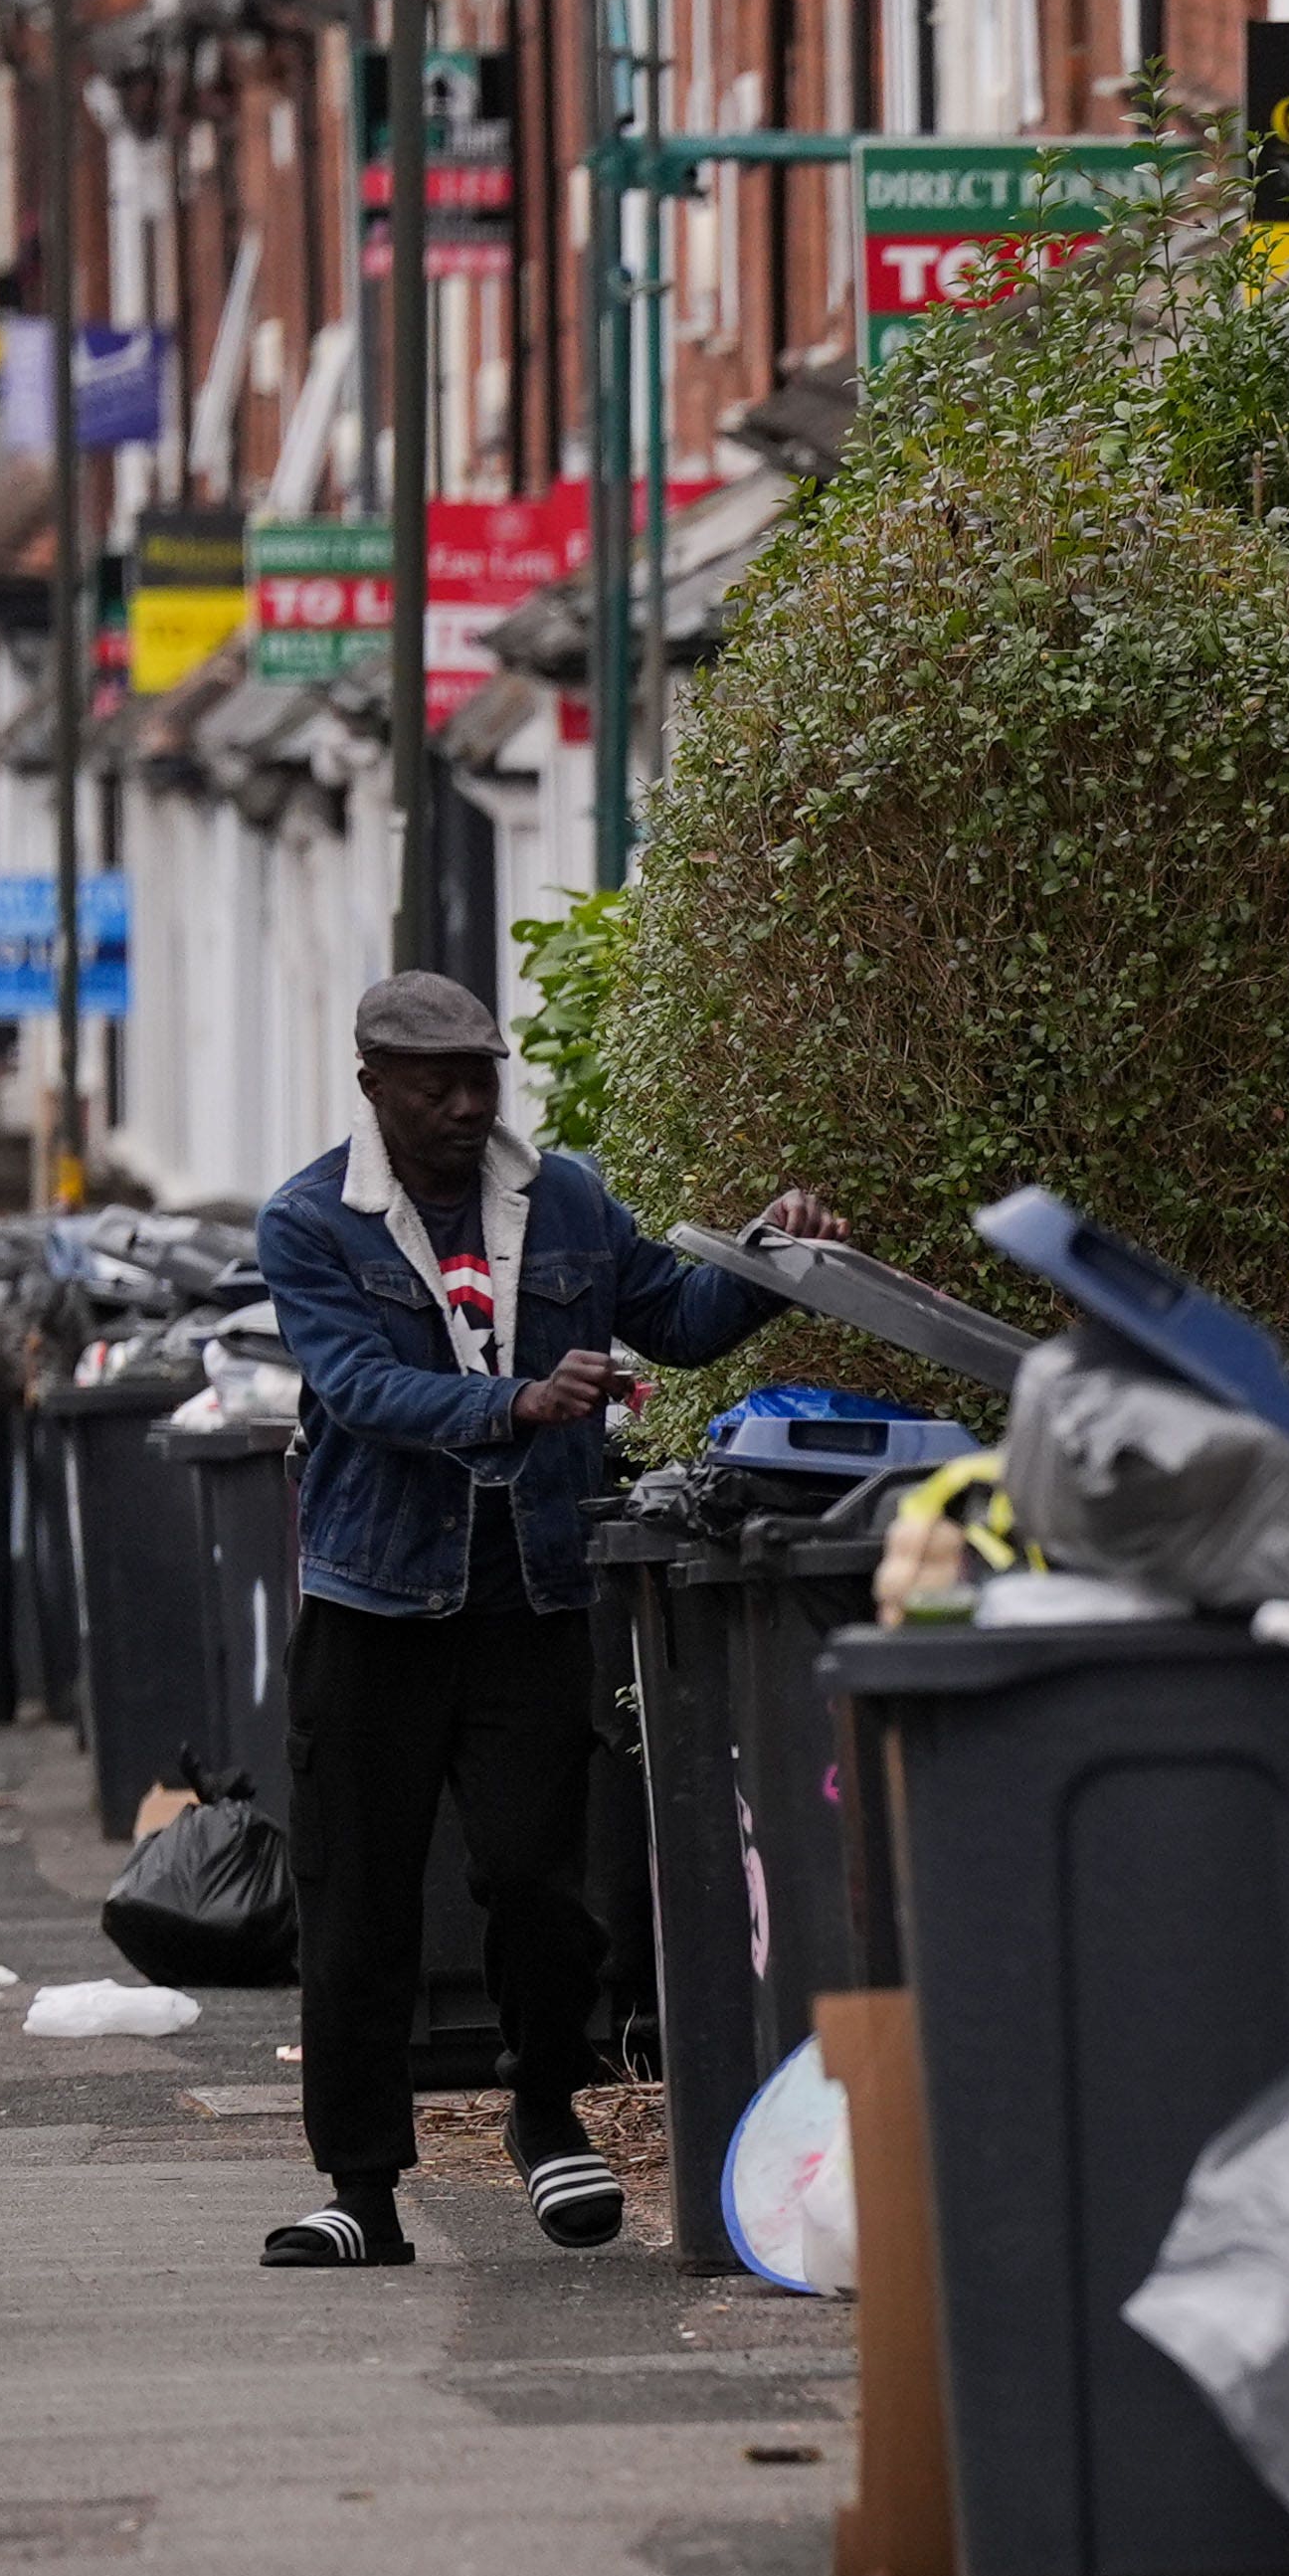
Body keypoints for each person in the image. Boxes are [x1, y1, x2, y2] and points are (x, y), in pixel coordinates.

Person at [248, 970, 826, 2268]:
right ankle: (362, 2191)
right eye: (434, 1083)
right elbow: (358, 1388)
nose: (465, 1104)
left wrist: (768, 1258)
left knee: (539, 1883)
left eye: (482, 1078)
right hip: (375, 1605)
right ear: (372, 1087)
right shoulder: (312, 1221)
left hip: (529, 1595)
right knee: (360, 1904)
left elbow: (674, 1321)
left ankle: (548, 2111)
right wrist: (514, 1403)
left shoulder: (559, 1199)